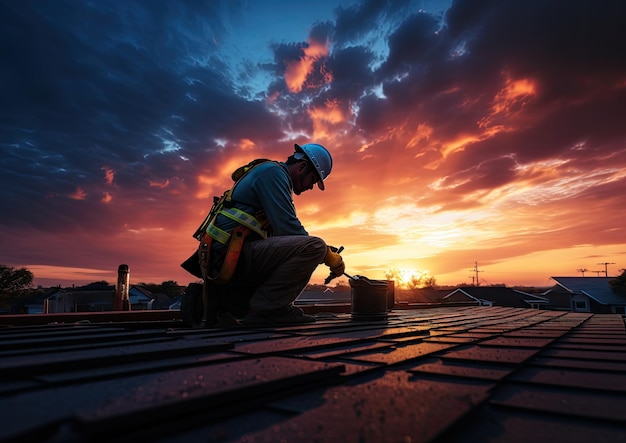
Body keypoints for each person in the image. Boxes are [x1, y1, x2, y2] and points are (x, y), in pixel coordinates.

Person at [184, 143, 345, 326]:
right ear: (302, 167)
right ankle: (269, 310)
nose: (311, 187)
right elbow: (289, 229)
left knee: (315, 247)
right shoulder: (273, 174)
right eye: (313, 179)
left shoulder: (272, 176)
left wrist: (327, 252)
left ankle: (228, 302)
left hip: (230, 255)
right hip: (230, 256)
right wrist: (327, 255)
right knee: (315, 247)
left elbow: (285, 239)